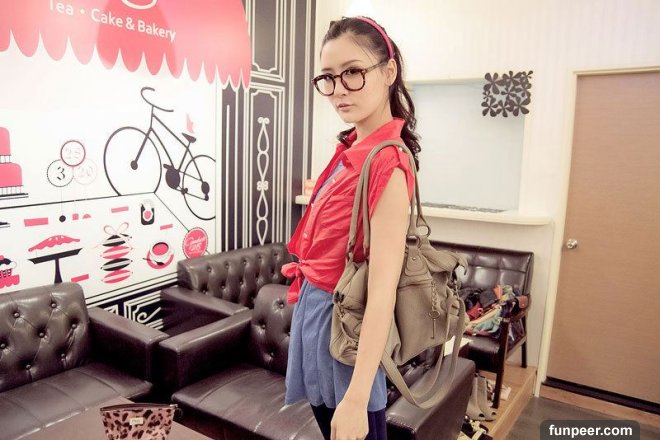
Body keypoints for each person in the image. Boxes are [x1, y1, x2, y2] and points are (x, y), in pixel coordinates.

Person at [282, 16, 421, 440]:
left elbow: (382, 290)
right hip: (315, 312)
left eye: (353, 72)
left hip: (345, 325)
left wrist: (358, 398)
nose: (339, 89)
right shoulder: (352, 148)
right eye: (328, 77)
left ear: (388, 72)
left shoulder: (387, 163)